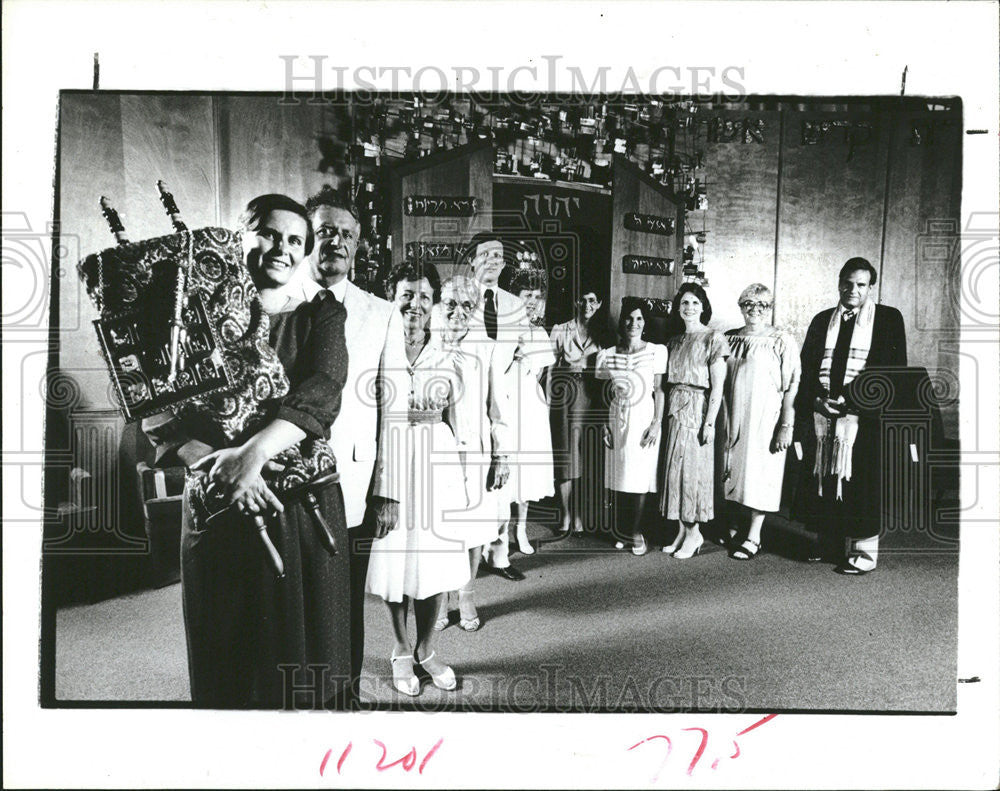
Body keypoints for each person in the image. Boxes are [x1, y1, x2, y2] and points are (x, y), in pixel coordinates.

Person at [147, 194, 351, 708]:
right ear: (240, 234)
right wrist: (221, 469)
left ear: (305, 252)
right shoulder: (187, 316)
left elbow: (322, 392)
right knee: (227, 648)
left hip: (298, 507)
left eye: (295, 240)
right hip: (217, 500)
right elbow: (154, 410)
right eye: (268, 232)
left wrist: (250, 457)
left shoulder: (320, 315)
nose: (280, 248)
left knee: (303, 650)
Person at [302, 186, 409, 702]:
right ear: (308, 236)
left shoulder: (381, 312)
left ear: (359, 243)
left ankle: (344, 695)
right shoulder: (279, 296)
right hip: (283, 479)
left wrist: (388, 489)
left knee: (344, 598)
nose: (336, 243)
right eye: (325, 232)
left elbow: (396, 408)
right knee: (292, 596)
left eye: (346, 234)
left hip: (355, 481)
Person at [364, 261, 470, 695]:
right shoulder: (375, 345)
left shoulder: (448, 351)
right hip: (391, 459)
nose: (415, 304)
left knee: (435, 561)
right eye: (406, 293)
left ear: (435, 303)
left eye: (425, 296)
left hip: (436, 458)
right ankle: (400, 647)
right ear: (392, 296)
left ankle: (427, 649)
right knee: (395, 559)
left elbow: (460, 417)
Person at [796, 258, 907, 575]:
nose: (853, 290)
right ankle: (828, 543)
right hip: (826, 413)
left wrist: (849, 395)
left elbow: (890, 368)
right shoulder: (822, 321)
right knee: (827, 478)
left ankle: (864, 552)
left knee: (860, 482)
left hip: (863, 417)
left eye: (861, 284)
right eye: (848, 283)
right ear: (839, 282)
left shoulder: (887, 319)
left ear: (871, 287)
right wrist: (817, 399)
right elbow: (805, 367)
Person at [433, 276, 514, 632]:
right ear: (439, 303)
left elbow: (499, 410)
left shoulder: (488, 348)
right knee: (437, 530)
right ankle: (436, 596)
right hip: (433, 452)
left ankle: (465, 594)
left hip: (475, 451)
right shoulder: (425, 342)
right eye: (450, 303)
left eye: (467, 305)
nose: (458, 312)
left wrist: (502, 456)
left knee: (473, 528)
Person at [457, 232, 531, 581]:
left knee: (502, 484)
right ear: (472, 260)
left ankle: (498, 555)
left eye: (499, 255)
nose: (493, 260)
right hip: (465, 400)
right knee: (463, 488)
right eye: (485, 254)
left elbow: (525, 346)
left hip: (504, 399)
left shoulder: (515, 304)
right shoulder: (457, 297)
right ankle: (459, 563)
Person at [721, 284, 800, 560]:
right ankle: (733, 524)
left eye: (762, 305)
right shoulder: (728, 338)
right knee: (731, 469)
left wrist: (786, 425)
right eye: (748, 304)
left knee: (759, 474)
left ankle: (754, 535)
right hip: (731, 414)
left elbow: (792, 386)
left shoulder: (781, 340)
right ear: (741, 306)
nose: (754, 309)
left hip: (764, 419)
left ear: (769, 308)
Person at [659, 283, 731, 559]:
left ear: (703, 307)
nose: (689, 308)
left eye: (695, 303)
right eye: (685, 303)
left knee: (692, 472)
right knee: (674, 471)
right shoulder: (674, 341)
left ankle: (694, 533)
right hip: (675, 409)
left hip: (698, 410)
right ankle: (681, 530)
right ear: (678, 308)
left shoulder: (713, 338)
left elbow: (718, 386)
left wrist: (709, 422)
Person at [596, 300, 667, 556]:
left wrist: (656, 423)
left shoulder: (656, 351)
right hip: (617, 417)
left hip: (644, 418)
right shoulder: (607, 354)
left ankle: (636, 532)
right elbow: (604, 393)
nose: (633, 324)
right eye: (628, 318)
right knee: (619, 475)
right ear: (622, 321)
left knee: (638, 477)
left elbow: (659, 390)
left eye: (638, 319)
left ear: (645, 323)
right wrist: (605, 424)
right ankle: (623, 531)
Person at [548, 287, 610, 538]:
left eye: (592, 300)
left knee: (588, 453)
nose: (587, 304)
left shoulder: (605, 333)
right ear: (576, 301)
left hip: (593, 395)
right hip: (565, 394)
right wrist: (548, 398)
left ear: (599, 303)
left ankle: (581, 514)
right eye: (582, 300)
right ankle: (565, 514)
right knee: (567, 454)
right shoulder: (560, 329)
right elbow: (550, 368)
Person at [503, 267, 556, 554]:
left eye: (537, 296)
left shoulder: (539, 333)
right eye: (526, 295)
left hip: (530, 406)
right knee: (504, 467)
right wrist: (513, 357)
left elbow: (541, 377)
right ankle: (496, 535)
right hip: (506, 402)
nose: (532, 301)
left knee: (526, 470)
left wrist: (542, 410)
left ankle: (520, 529)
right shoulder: (500, 330)